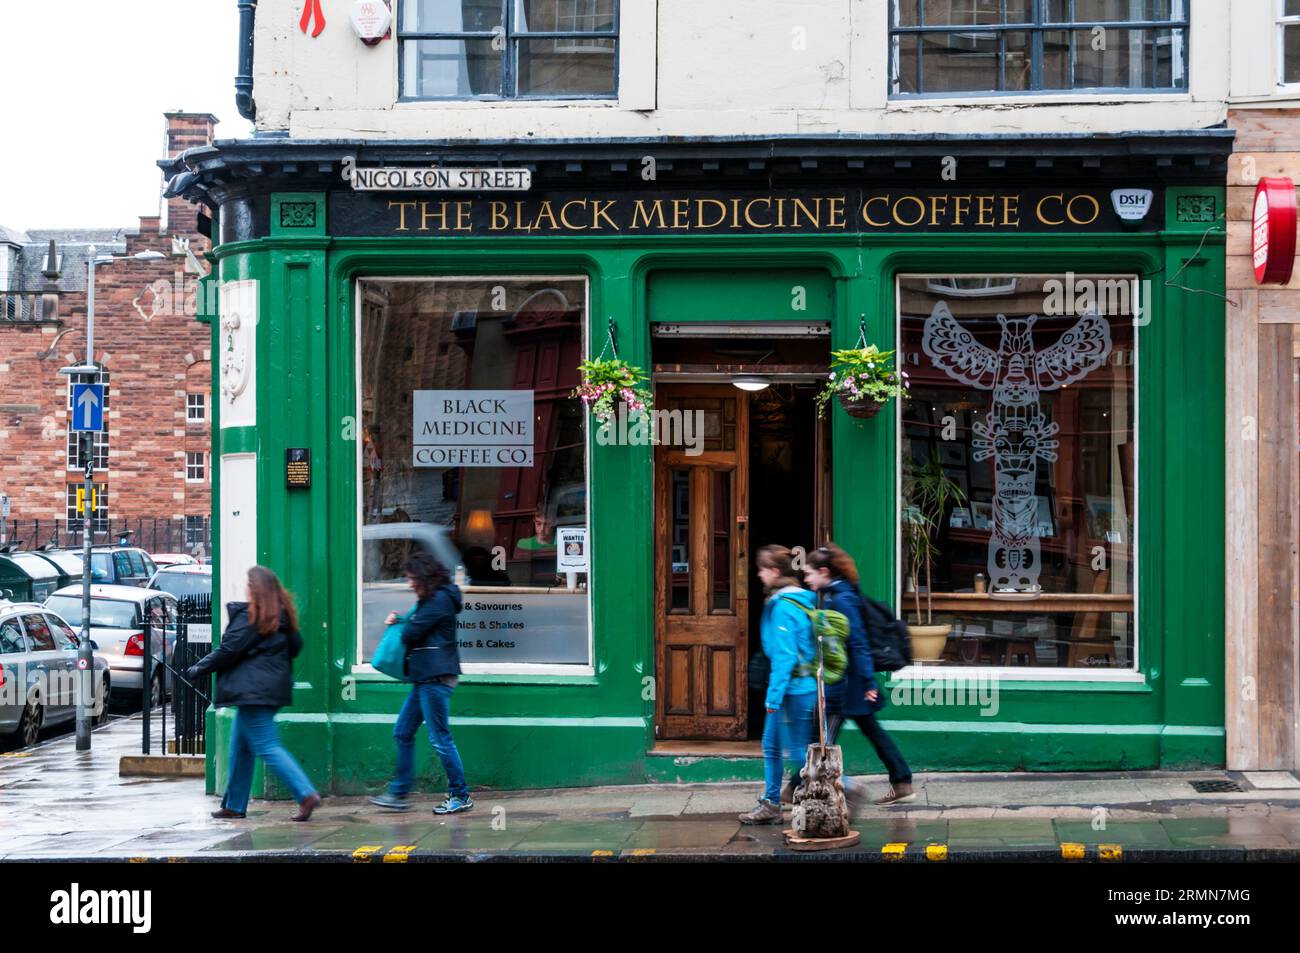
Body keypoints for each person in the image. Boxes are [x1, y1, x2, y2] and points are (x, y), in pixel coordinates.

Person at [185, 566, 321, 821]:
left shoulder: (251, 617)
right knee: (241, 747)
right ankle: (235, 804)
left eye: (248, 585)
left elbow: (228, 650)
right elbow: (295, 648)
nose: (245, 589)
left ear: (254, 590)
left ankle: (305, 793)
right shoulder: (282, 618)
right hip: (270, 691)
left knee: (267, 745)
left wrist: (196, 669)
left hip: (252, 693)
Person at [804, 543, 915, 808]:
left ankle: (806, 789)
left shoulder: (841, 599)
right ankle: (902, 782)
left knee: (819, 739)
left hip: (846, 684)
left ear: (823, 571)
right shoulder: (836, 595)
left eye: (809, 573)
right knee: (871, 731)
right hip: (850, 681)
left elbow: (858, 642)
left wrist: (867, 681)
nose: (806, 578)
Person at [370, 551, 473, 814]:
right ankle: (400, 793)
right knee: (403, 731)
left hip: (435, 679)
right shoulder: (435, 599)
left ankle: (460, 795)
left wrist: (402, 623)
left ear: (423, 576)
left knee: (440, 739)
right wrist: (405, 620)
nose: (409, 583)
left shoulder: (437, 600)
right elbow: (416, 627)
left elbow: (412, 633)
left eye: (411, 577)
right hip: (425, 678)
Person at [739, 545, 818, 825]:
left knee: (797, 752)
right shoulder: (798, 601)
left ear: (774, 572)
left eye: (761, 570)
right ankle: (771, 804)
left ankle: (849, 786)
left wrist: (772, 699)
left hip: (794, 691)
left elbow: (784, 657)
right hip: (797, 687)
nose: (759, 575)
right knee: (772, 746)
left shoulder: (784, 607)